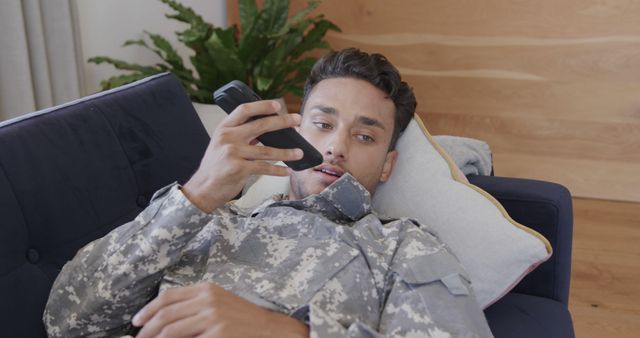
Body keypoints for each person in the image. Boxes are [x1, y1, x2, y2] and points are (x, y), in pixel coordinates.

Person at [44, 48, 493, 338]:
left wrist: (284, 333)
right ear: (294, 130)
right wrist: (197, 195)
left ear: (388, 164)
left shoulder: (403, 248)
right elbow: (66, 319)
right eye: (322, 123)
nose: (336, 146)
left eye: (364, 137)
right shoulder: (206, 219)